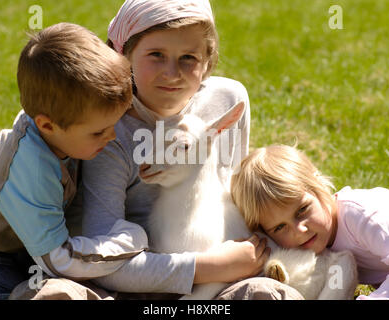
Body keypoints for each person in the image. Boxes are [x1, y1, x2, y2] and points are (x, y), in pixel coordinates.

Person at [78, 0, 303, 300]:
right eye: (156, 55)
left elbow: (231, 193)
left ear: (208, 62)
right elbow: (100, 256)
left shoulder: (228, 100)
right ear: (124, 56)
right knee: (77, 291)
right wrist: (205, 268)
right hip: (137, 272)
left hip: (224, 266)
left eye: (188, 58)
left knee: (262, 293)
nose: (173, 73)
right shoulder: (109, 128)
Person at [0, 22, 134, 300]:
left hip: (21, 249)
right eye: (99, 131)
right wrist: (130, 239)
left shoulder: (62, 127)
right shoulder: (31, 169)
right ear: (47, 125)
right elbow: (59, 260)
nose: (113, 136)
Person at [230, 144, 389, 300]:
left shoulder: (360, 216)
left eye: (302, 210)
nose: (299, 230)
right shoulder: (319, 246)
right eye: (279, 227)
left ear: (319, 184)